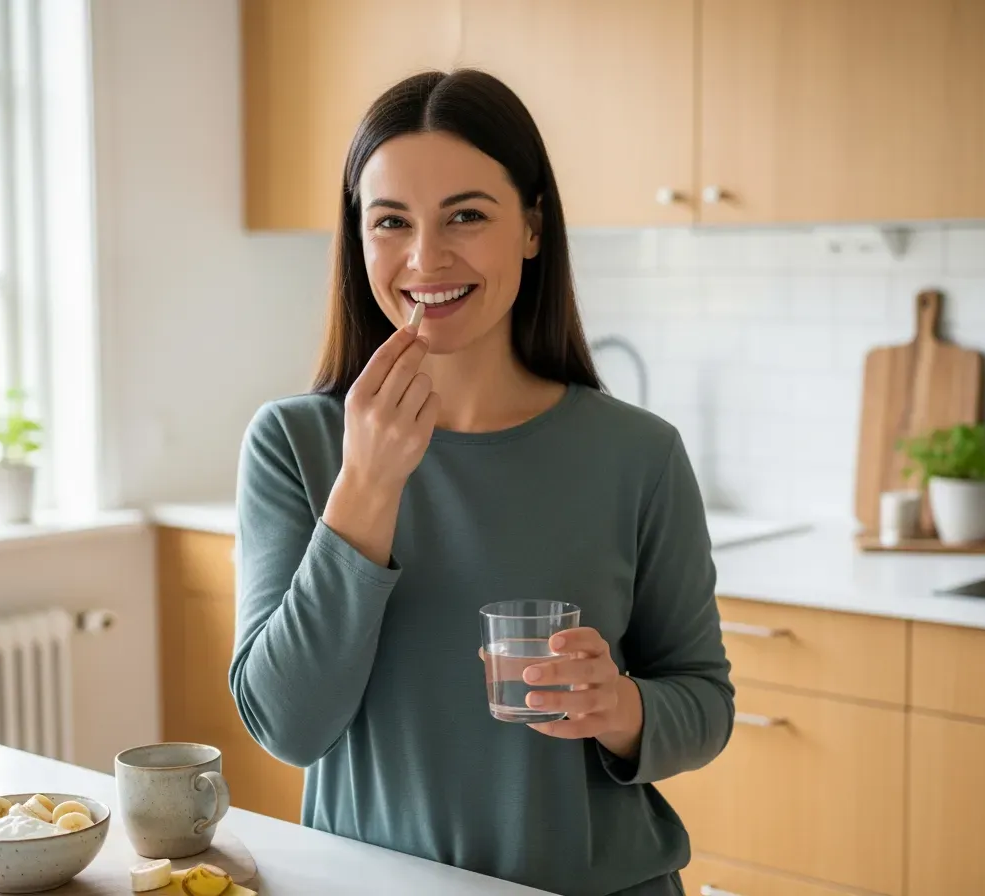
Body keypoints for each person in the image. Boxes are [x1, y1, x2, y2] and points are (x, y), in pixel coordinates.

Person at [229, 69, 734, 896]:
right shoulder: (295, 444)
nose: (426, 258)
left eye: (466, 215)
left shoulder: (638, 454)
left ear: (532, 227)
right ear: (359, 240)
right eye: (390, 221)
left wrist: (622, 709)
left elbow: (705, 703)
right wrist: (367, 486)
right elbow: (287, 724)